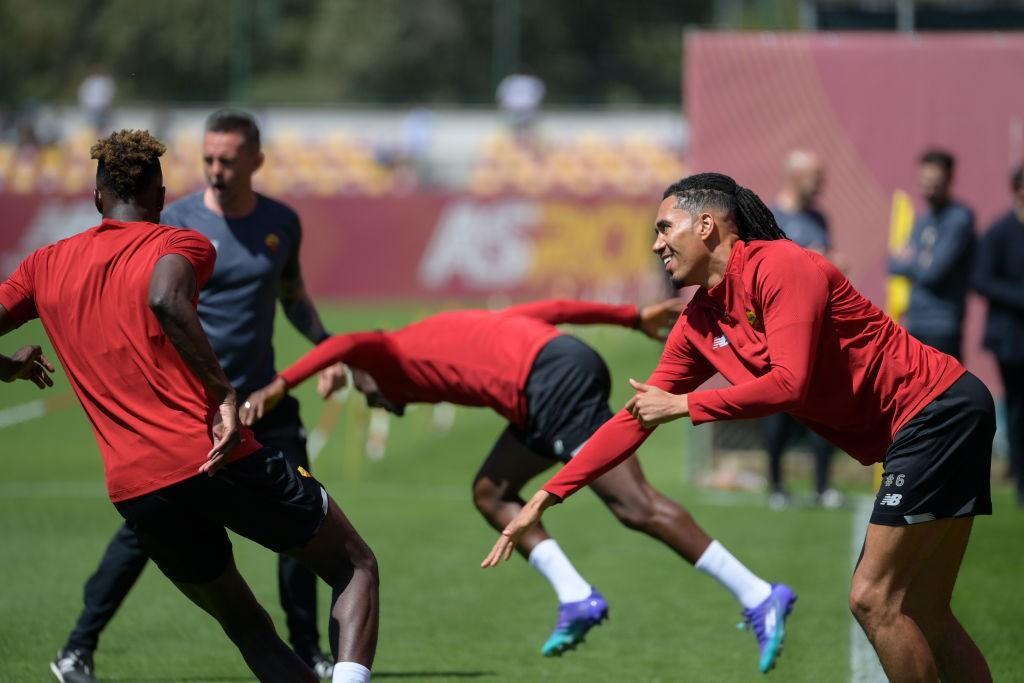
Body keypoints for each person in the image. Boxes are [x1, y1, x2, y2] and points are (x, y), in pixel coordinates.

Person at [485, 173, 995, 682]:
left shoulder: (782, 265)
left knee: (873, 599)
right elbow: (633, 418)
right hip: (936, 417)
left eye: (665, 228)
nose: (655, 244)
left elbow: (789, 385)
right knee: (923, 609)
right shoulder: (699, 321)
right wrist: (546, 497)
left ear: (706, 225)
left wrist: (687, 405)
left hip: (936, 410)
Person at [0, 129, 378, 683]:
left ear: (96, 195)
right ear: (159, 196)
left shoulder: (43, 265)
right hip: (214, 455)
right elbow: (165, 297)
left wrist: (9, 367)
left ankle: (79, 647)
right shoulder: (181, 243)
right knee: (355, 566)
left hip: (135, 487)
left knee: (248, 627)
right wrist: (225, 394)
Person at [243, 298, 793, 670]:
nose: (387, 405)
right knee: (491, 490)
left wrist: (277, 386)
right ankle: (576, 597)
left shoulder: (380, 356)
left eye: (372, 396)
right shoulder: (435, 333)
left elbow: (348, 342)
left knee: (636, 505)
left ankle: (759, 594)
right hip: (550, 383)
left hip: (551, 385)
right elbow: (550, 310)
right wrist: (629, 316)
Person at [763, 150, 842, 509]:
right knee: (778, 406)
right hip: (778, 329)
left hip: (817, 328)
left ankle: (822, 486)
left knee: (824, 408)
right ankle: (777, 485)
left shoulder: (819, 217)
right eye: (815, 176)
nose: (821, 185)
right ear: (794, 176)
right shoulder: (769, 217)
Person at [889, 149, 976, 360]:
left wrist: (913, 259)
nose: (928, 189)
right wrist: (920, 261)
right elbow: (893, 263)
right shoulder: (923, 219)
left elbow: (933, 272)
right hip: (915, 321)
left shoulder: (959, 220)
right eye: (923, 181)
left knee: (944, 391)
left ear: (949, 180)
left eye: (934, 182)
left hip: (943, 325)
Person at [974, 164, 1024, 507]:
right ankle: (1021, 480)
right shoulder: (1000, 232)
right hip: (1013, 338)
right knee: (1019, 409)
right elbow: (981, 279)